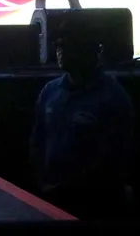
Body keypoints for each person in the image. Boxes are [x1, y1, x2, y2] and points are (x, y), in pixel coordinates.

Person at [29, 13, 133, 219]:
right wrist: (41, 183)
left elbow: (115, 156)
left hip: (95, 202)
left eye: (69, 45)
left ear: (89, 49)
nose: (61, 51)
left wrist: (67, 189)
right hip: (51, 195)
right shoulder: (50, 92)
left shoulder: (111, 97)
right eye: (59, 45)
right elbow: (37, 142)